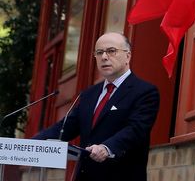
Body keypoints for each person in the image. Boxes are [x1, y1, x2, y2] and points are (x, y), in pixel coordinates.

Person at [34, 32, 159, 181]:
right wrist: (29, 145)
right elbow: (65, 128)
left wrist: (106, 148)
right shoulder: (89, 94)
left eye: (111, 51)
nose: (104, 57)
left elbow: (136, 130)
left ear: (128, 56)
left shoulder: (145, 92)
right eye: (99, 52)